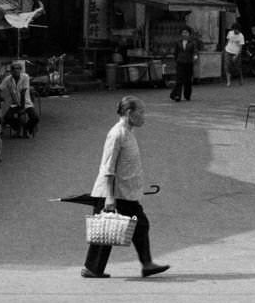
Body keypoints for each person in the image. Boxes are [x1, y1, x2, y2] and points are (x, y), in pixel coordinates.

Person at [82, 96, 169, 280]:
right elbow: (108, 167)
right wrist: (110, 198)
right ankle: (95, 268)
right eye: (141, 112)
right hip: (113, 193)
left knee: (125, 227)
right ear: (129, 113)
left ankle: (96, 268)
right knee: (108, 231)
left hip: (125, 193)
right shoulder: (117, 134)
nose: (144, 116)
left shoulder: (128, 132)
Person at [0, 60, 39, 138]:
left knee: (35, 118)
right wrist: (1, 99)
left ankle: (26, 128)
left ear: (20, 70)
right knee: (7, 117)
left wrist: (22, 108)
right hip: (14, 103)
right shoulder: (8, 79)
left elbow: (23, 93)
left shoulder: (25, 77)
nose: (16, 70)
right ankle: (18, 128)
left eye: (18, 68)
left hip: (26, 103)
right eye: (14, 69)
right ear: (11, 71)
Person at [169, 26, 199, 101]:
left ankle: (187, 95)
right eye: (183, 32)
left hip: (189, 63)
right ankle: (177, 96)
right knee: (179, 79)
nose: (184, 34)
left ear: (189, 34)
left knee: (188, 80)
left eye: (186, 32)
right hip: (180, 62)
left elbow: (195, 51)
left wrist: (195, 56)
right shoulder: (178, 42)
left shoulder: (192, 43)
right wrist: (177, 60)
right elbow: (175, 53)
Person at [224, 21, 245, 86]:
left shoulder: (241, 36)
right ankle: (228, 81)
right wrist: (225, 48)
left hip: (236, 52)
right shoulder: (230, 33)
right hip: (228, 51)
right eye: (235, 29)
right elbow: (228, 41)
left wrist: (236, 55)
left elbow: (241, 47)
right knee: (227, 66)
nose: (236, 31)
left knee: (237, 67)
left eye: (237, 30)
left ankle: (240, 78)